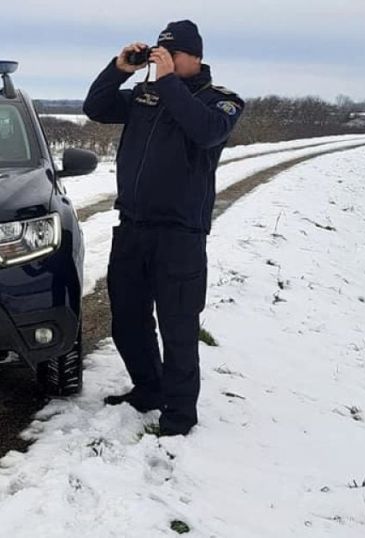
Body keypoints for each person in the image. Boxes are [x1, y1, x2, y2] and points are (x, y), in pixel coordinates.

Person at [83, 20, 244, 436]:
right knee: (128, 320)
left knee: (178, 326)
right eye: (160, 53)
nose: (164, 60)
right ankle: (149, 388)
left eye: (173, 54)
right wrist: (120, 69)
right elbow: (96, 108)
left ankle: (179, 415)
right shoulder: (144, 95)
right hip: (133, 228)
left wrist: (170, 81)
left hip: (180, 236)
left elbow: (206, 133)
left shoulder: (221, 102)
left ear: (195, 56)